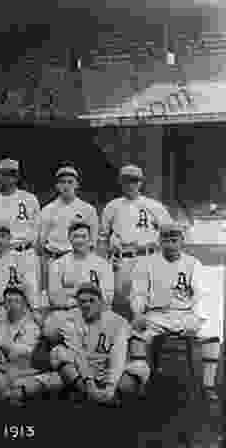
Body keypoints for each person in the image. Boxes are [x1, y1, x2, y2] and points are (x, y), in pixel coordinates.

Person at [129, 222, 220, 401]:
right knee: (136, 334)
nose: (170, 244)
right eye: (165, 240)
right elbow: (138, 293)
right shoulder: (146, 263)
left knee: (212, 333)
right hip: (156, 315)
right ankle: (138, 382)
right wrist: (138, 314)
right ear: (159, 241)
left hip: (186, 314)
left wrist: (197, 318)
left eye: (174, 240)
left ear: (182, 241)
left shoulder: (193, 263)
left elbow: (202, 295)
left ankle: (208, 385)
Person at [48, 282, 149, 406]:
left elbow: (118, 356)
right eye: (82, 301)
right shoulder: (71, 321)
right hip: (83, 372)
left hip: (109, 369)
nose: (87, 305)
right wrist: (90, 385)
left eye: (91, 301)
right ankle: (90, 395)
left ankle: (109, 396)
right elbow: (78, 355)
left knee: (140, 367)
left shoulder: (117, 321)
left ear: (101, 302)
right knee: (58, 352)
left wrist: (111, 386)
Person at [99, 164, 172, 319]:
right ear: (120, 182)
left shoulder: (154, 206)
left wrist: (164, 261)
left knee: (148, 301)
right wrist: (105, 263)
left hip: (147, 256)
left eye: (134, 180)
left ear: (141, 183)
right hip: (123, 259)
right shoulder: (112, 206)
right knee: (121, 303)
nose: (130, 184)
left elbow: (170, 234)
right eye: (126, 181)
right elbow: (103, 238)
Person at [43, 219, 114, 342]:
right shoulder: (58, 264)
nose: (80, 240)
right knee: (50, 328)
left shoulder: (102, 264)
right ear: (69, 239)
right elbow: (54, 298)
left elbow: (107, 297)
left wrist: (70, 292)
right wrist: (86, 295)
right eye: (76, 236)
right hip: (67, 313)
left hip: (96, 312)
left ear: (90, 239)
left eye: (83, 236)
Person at [0, 159, 41, 289]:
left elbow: (37, 230)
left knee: (31, 295)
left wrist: (31, 250)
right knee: (1, 294)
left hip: (25, 252)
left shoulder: (30, 199)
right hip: (0, 253)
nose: (8, 178)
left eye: (12, 174)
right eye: (3, 174)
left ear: (17, 177)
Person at [38, 165, 98, 291]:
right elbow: (42, 243)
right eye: (62, 182)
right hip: (54, 258)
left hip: (77, 259)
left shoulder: (88, 209)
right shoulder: (47, 210)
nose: (66, 186)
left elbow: (92, 241)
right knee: (53, 296)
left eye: (70, 182)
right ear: (57, 186)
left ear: (77, 185)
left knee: (79, 295)